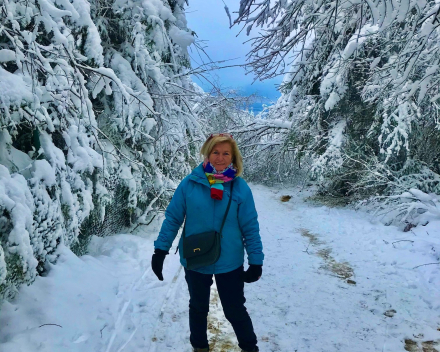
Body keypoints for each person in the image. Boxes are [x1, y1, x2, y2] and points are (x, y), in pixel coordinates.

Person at [152, 133, 264, 352]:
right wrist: (160, 250)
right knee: (198, 307)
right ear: (207, 152)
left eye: (225, 153)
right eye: (215, 152)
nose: (220, 158)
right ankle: (199, 348)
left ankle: (250, 348)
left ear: (233, 158)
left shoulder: (240, 188)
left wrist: (256, 261)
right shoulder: (190, 183)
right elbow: (173, 218)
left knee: (234, 310)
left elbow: (250, 226)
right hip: (196, 258)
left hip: (229, 261)